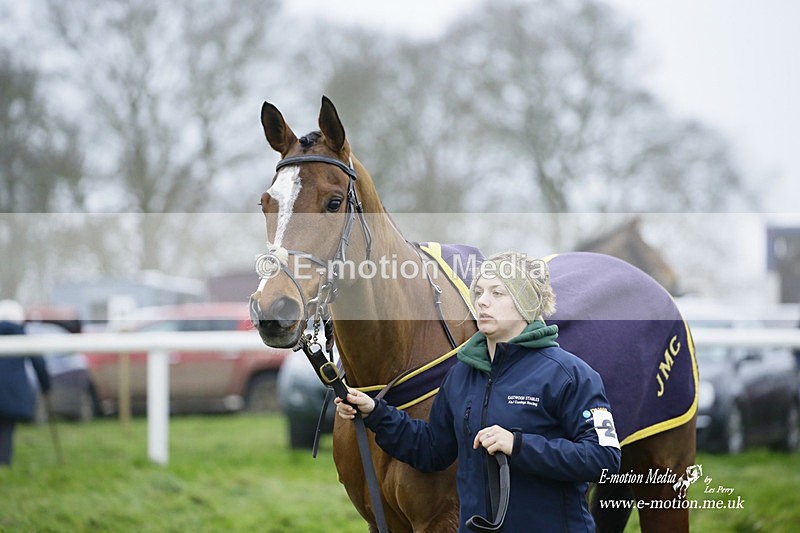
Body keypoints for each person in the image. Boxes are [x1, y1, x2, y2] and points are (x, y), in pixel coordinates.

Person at [336, 252, 621, 532]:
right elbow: (432, 451)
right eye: (480, 292)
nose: (483, 301)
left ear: (527, 303)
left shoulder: (570, 374)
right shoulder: (460, 375)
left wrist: (519, 445)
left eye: (498, 293)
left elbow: (604, 459)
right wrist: (375, 412)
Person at [0, 299, 51, 466]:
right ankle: (4, 463)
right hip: (12, 392)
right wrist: (46, 386)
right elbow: (39, 364)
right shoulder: (24, 337)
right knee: (6, 429)